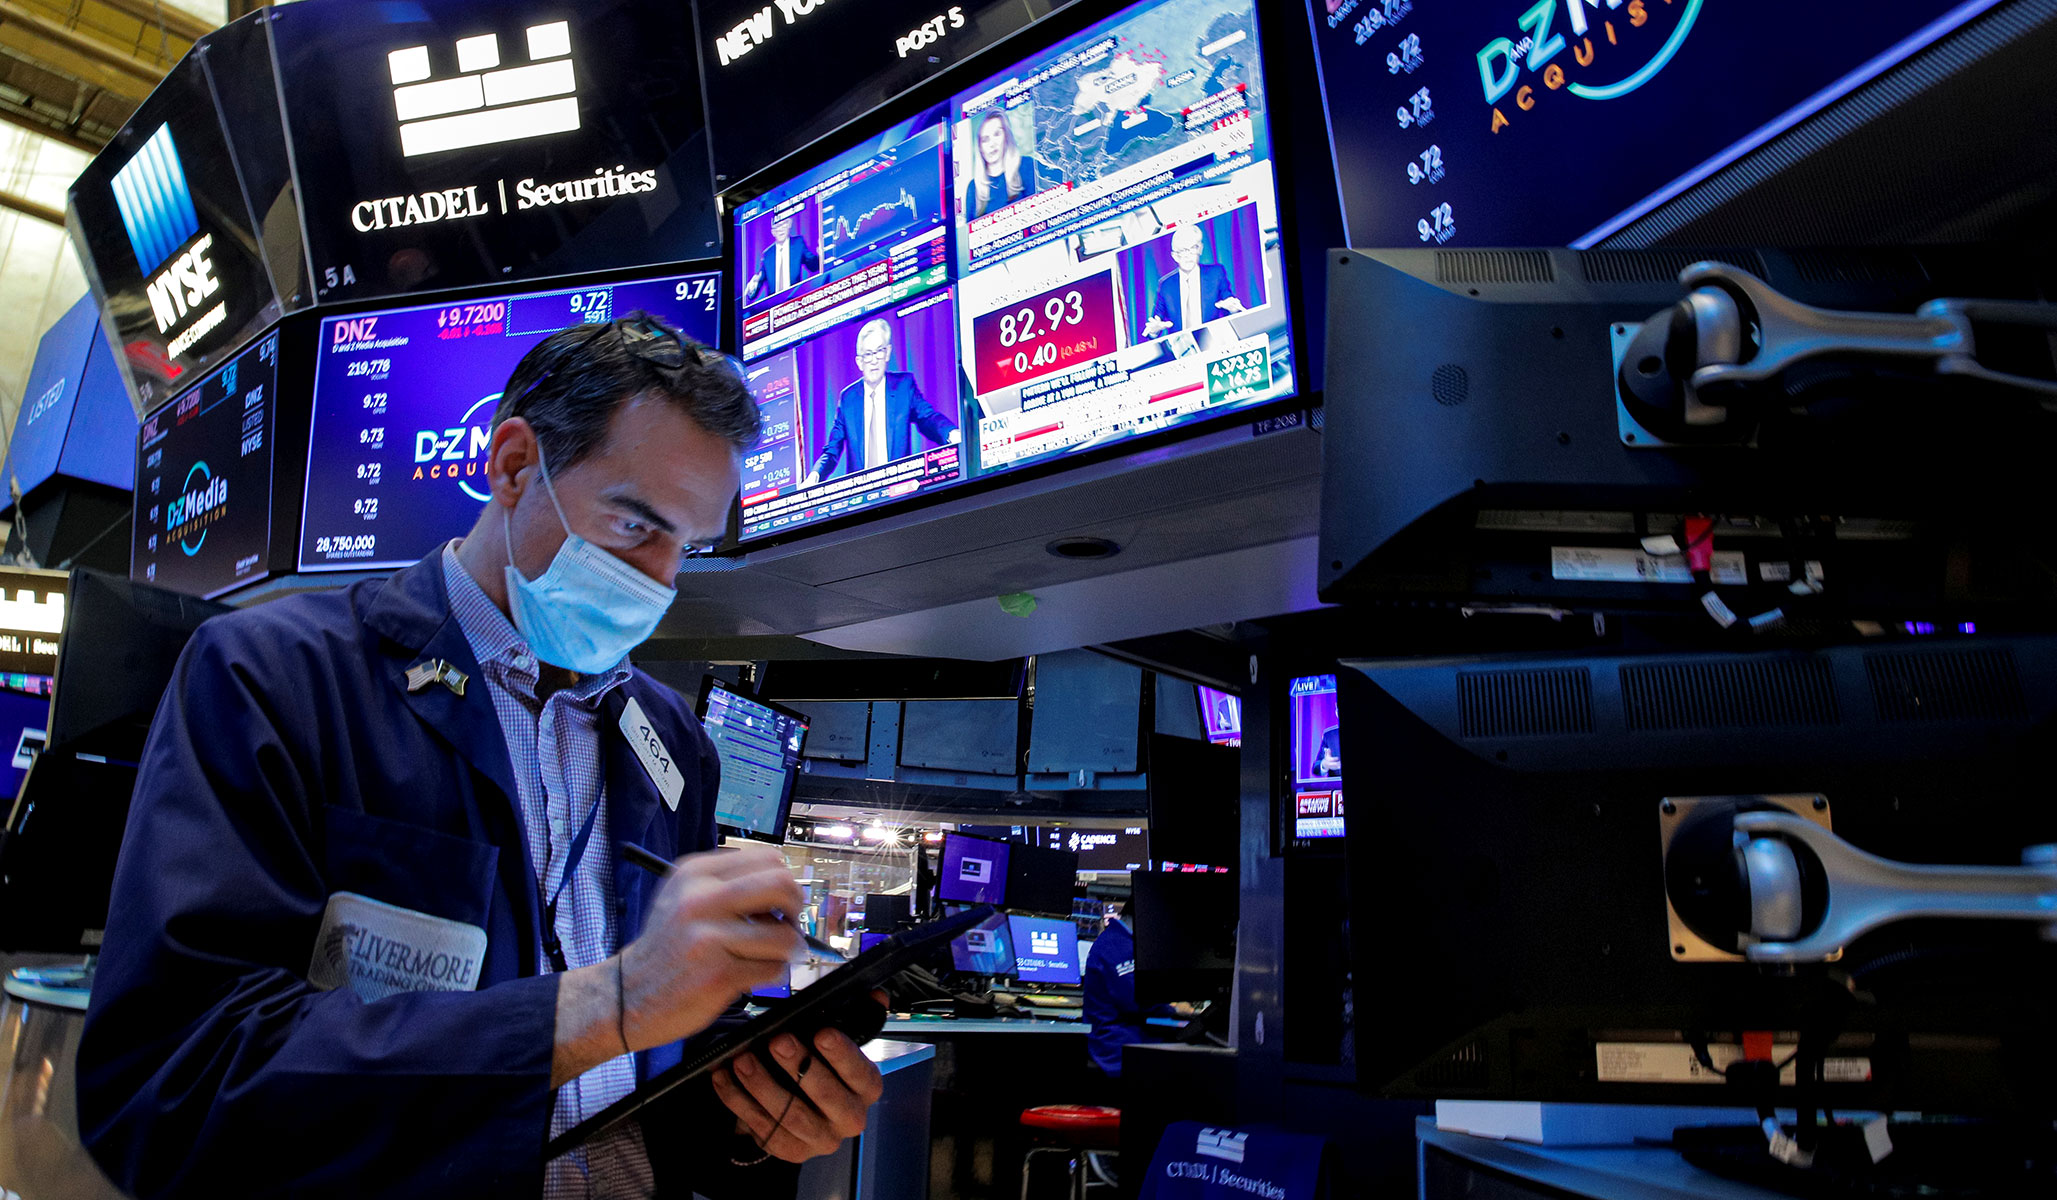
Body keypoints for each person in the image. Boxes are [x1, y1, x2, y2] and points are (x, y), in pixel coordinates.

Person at [78, 315, 885, 1198]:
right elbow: (173, 1088)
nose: (659, 581)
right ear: (511, 465)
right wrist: (606, 1005)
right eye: (634, 526)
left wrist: (747, 1112)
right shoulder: (275, 676)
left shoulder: (673, 744)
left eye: (684, 546)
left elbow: (640, 1080)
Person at [804, 318, 959, 484]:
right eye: (867, 354)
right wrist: (815, 475)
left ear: (888, 353)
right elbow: (833, 449)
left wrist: (951, 433)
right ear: (859, 362)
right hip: (861, 494)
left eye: (879, 351)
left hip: (901, 489)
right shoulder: (847, 398)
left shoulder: (904, 386)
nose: (874, 360)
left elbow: (928, 418)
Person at [1081, 906, 1181, 1083]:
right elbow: (1138, 999)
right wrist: (1174, 1008)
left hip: (1129, 1035)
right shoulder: (1118, 946)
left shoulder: (1121, 940)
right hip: (1117, 1043)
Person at [1144, 225, 1246, 338]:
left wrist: (1233, 309)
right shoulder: (1166, 285)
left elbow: (1228, 299)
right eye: (1182, 251)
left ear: (1200, 249)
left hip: (1214, 339)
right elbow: (1156, 322)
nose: (1188, 255)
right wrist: (1154, 331)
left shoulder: (1216, 273)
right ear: (1174, 256)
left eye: (1192, 248)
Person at [962, 111, 1045, 221]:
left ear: (1006, 137)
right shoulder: (974, 187)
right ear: (980, 147)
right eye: (985, 140)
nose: (992, 144)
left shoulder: (1026, 165)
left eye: (997, 134)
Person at [743, 209, 819, 303]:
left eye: (783, 224)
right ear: (773, 232)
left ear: (789, 224)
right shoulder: (767, 254)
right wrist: (752, 287)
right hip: (774, 306)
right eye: (777, 226)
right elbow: (756, 287)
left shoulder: (798, 243)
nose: (780, 229)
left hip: (796, 300)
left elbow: (813, 266)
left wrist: (820, 255)